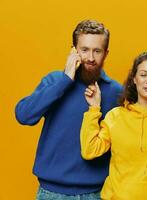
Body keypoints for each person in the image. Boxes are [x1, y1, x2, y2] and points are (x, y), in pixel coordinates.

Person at [15, 19, 122, 199]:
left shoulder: (116, 92)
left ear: (106, 53)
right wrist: (65, 81)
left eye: (97, 51)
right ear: (73, 50)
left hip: (97, 193)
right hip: (51, 193)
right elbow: (24, 115)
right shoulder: (55, 81)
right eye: (84, 49)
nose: (90, 57)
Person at [80, 51, 147, 200]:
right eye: (143, 75)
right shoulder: (116, 116)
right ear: (134, 79)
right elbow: (89, 150)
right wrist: (93, 109)